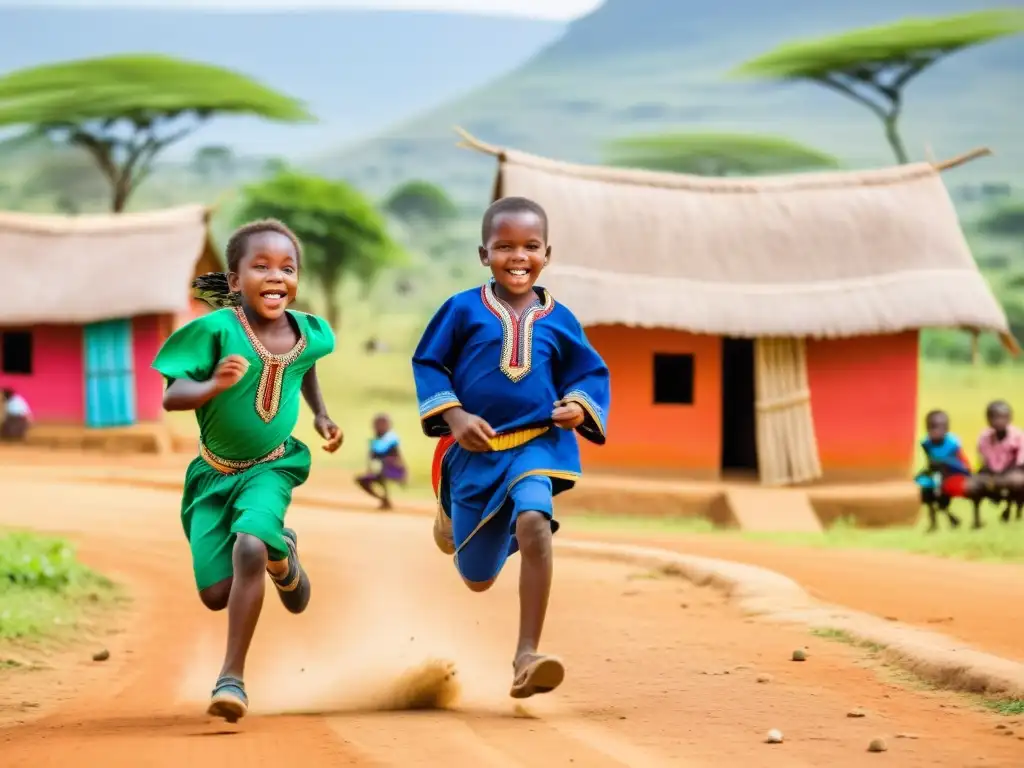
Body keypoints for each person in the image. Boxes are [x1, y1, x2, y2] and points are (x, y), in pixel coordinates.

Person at [412, 196, 610, 700]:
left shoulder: (560, 319)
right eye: (504, 246)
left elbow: (588, 373)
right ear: (484, 254)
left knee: (534, 522)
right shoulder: (460, 309)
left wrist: (579, 407)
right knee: (477, 577)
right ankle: (454, 514)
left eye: (529, 246)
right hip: (476, 453)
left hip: (537, 445)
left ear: (547, 252)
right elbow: (429, 364)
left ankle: (526, 655)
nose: (517, 256)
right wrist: (454, 416)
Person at [152, 219, 343, 723]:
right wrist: (212, 384)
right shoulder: (214, 331)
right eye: (260, 267)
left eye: (287, 267)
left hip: (273, 465)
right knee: (217, 594)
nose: (276, 276)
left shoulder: (310, 333)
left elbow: (306, 365)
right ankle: (286, 554)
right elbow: (173, 396)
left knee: (250, 545)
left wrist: (321, 414)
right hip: (212, 476)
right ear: (235, 282)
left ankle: (231, 678)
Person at [914, 409, 972, 531]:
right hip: (935, 476)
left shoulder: (952, 444)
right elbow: (929, 464)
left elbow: (963, 466)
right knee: (925, 490)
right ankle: (933, 523)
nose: (934, 431)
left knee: (942, 494)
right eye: (931, 427)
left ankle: (950, 517)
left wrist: (943, 464)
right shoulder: (926, 444)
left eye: (938, 427)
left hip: (953, 475)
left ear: (946, 428)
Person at [976, 400, 1024, 523]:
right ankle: (977, 519)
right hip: (992, 474)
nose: (999, 421)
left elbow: (1020, 463)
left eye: (1003, 417)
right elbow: (983, 462)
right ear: (988, 419)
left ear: (1010, 418)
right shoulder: (984, 437)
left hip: (1012, 473)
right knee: (972, 485)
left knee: (1017, 481)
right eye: (995, 417)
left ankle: (1014, 508)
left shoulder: (1018, 436)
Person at [355, 413, 407, 510]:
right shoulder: (375, 440)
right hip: (380, 471)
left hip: (392, 470)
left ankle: (385, 500)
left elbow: (397, 457)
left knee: (382, 471)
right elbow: (371, 458)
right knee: (362, 480)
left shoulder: (391, 439)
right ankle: (384, 500)